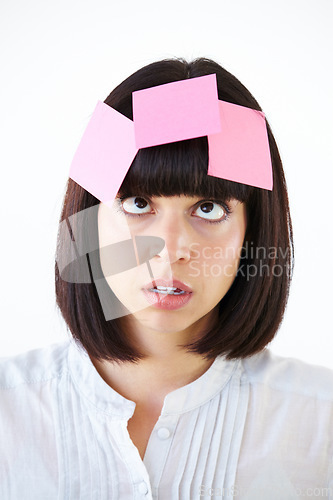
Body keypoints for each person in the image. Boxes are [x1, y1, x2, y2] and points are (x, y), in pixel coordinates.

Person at [0, 57, 332, 499]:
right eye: (138, 203)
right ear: (88, 221)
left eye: (209, 208)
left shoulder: (320, 423)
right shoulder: (9, 410)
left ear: (254, 232)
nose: (171, 247)